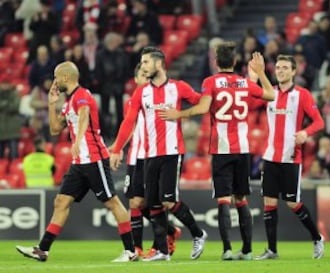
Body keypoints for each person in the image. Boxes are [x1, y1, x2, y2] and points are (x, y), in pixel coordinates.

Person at [159, 45, 275, 260]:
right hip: (243, 149)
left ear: (215, 62)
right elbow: (270, 94)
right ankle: (248, 251)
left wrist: (179, 113)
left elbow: (202, 109)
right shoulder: (244, 82)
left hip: (221, 149)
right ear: (235, 61)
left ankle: (228, 250)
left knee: (223, 200)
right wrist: (260, 73)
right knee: (241, 199)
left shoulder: (210, 82)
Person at [16, 61, 138, 263]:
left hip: (94, 158)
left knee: (112, 202)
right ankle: (42, 250)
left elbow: (84, 116)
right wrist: (51, 103)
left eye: (56, 77)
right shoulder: (68, 102)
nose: (54, 82)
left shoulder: (83, 95)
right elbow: (55, 129)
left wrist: (79, 139)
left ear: (65, 77)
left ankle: (130, 251)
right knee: (61, 201)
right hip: (79, 162)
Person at [110, 46, 207, 261]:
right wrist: (117, 149)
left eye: (145, 62)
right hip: (149, 154)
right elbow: (129, 121)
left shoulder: (178, 87)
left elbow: (203, 102)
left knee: (168, 202)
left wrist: (180, 113)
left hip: (172, 152)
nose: (143, 67)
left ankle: (199, 234)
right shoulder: (141, 92)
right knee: (153, 203)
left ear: (159, 64)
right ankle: (162, 250)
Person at [253, 55, 325, 260]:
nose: (281, 70)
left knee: (293, 203)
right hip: (270, 157)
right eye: (278, 67)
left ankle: (317, 238)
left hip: (291, 158)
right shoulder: (269, 93)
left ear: (294, 71)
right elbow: (250, 96)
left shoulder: (302, 95)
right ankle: (272, 250)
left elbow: (319, 122)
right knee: (269, 203)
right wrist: (255, 74)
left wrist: (305, 133)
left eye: (285, 68)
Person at [122, 63, 181, 257]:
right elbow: (129, 128)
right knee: (136, 202)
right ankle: (144, 244)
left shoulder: (156, 99)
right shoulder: (133, 101)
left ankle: (159, 244)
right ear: (136, 79)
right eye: (142, 75)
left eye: (148, 76)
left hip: (150, 156)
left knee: (151, 202)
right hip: (135, 157)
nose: (146, 79)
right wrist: (119, 149)